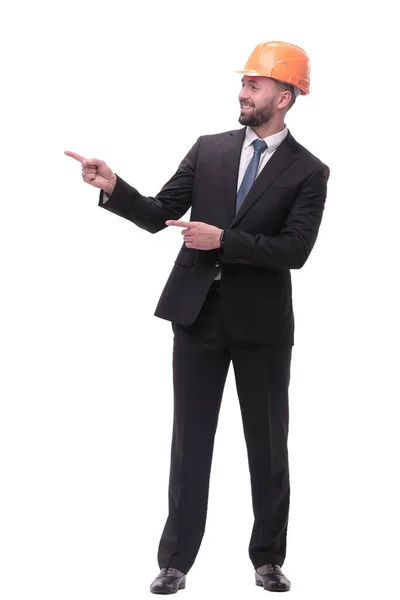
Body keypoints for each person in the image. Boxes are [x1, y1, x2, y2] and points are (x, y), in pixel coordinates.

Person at [65, 40, 330, 594]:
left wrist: (225, 240)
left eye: (254, 85)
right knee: (190, 441)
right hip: (196, 317)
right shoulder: (209, 149)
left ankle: (267, 558)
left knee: (268, 444)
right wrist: (114, 187)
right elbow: (161, 213)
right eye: (243, 83)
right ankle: (175, 562)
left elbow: (295, 249)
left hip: (261, 328)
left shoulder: (309, 171)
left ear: (284, 97)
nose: (242, 91)